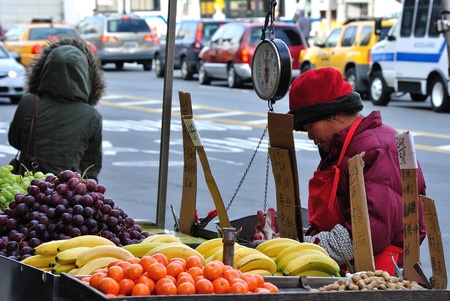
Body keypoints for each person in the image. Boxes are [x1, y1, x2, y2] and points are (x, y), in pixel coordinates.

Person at [288, 67, 426, 275]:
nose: (310, 137)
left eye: (309, 127)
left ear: (333, 113)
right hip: (351, 270)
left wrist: (305, 245)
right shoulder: (341, 149)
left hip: (382, 275)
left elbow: (368, 234)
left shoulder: (376, 150)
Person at [8, 36, 106, 181]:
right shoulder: (92, 116)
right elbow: (91, 167)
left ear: (45, 69)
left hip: (28, 189)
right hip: (67, 194)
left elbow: (14, 141)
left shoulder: (29, 103)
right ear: (85, 74)